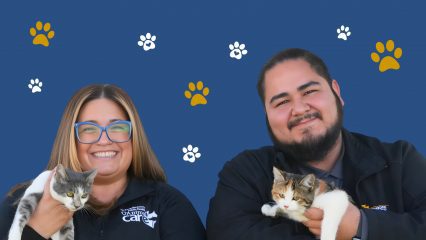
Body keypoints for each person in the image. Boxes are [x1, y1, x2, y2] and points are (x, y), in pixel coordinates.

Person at [206, 48, 426, 239]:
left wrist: (362, 226)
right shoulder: (243, 174)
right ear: (267, 116)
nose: (300, 109)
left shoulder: (399, 160)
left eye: (309, 91)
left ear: (336, 93)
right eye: (282, 102)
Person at [0, 84, 206, 240]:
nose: (104, 139)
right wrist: (35, 232)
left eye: (117, 128)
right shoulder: (20, 203)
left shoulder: (169, 205)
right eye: (89, 129)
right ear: (70, 139)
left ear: (135, 137)